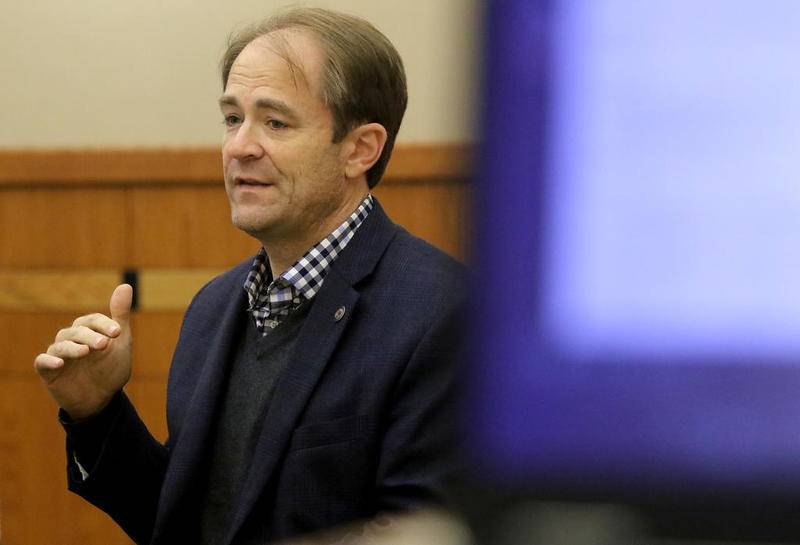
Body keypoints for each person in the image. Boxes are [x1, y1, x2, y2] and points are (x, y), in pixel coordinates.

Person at [33, 7, 465, 545]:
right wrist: (97, 411)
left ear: (360, 149)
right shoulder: (213, 307)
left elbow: (424, 533)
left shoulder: (445, 315)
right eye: (233, 118)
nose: (239, 147)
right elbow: (181, 523)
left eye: (275, 122)